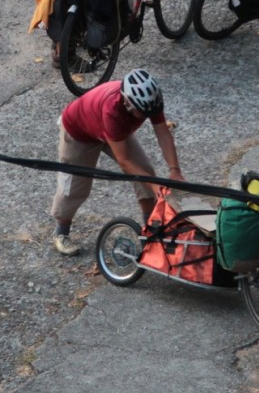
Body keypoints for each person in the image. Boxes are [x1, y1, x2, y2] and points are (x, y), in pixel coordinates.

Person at [51, 69, 184, 255]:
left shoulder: (151, 101)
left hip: (115, 131)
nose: (147, 116)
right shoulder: (113, 110)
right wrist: (155, 186)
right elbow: (125, 161)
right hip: (79, 132)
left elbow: (163, 133)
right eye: (142, 113)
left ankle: (151, 229)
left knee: (144, 171)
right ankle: (61, 233)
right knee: (74, 186)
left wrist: (175, 171)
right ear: (127, 103)